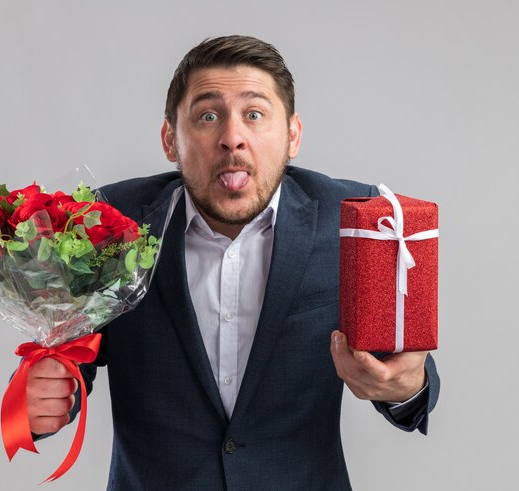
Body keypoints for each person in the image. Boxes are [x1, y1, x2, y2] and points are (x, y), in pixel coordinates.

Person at [25, 35, 439, 490]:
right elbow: (63, 357)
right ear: (170, 139)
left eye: (255, 114)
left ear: (292, 136)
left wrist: (407, 386)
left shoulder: (358, 220)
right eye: (207, 116)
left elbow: (406, 371)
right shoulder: (106, 220)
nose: (232, 138)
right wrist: (38, 398)